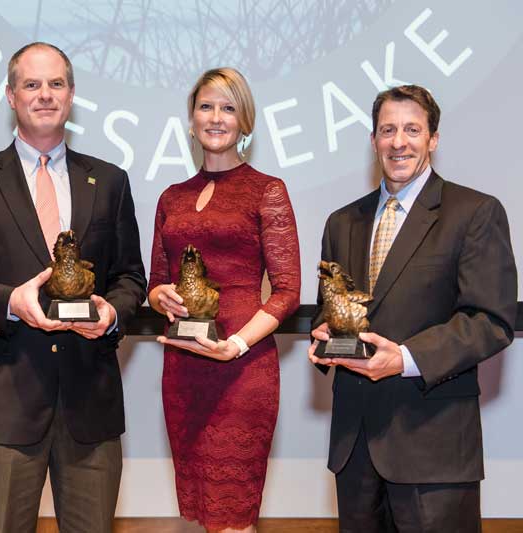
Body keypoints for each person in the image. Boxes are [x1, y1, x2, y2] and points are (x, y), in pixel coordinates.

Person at [0, 42, 146, 533]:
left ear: (71, 95)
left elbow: (130, 277)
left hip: (92, 406)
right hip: (5, 406)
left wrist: (111, 313)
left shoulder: (109, 181)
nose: (44, 95)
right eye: (31, 84)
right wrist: (8, 302)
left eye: (56, 84)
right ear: (10, 96)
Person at [308, 85, 517, 532]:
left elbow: (492, 321)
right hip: (355, 450)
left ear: (433, 138)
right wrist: (321, 335)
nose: (398, 141)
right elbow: (331, 309)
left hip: (434, 449)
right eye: (387, 130)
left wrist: (403, 359)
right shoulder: (341, 222)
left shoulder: (475, 212)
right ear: (373, 140)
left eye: (411, 129)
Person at [148, 67, 301, 532]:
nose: (216, 117)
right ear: (192, 118)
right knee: (202, 516)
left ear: (245, 121)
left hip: (242, 367)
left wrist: (236, 345)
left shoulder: (267, 190)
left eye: (228, 108)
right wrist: (159, 297)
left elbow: (289, 290)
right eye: (207, 106)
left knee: (233, 518)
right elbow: (155, 281)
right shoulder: (171, 197)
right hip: (184, 366)